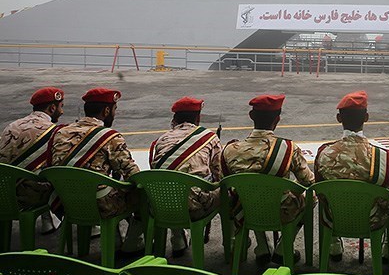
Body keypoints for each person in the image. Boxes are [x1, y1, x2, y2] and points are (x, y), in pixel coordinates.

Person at [221, 94, 314, 265]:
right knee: (311, 197)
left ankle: (262, 246)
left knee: (248, 194)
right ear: (277, 119)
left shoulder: (230, 150)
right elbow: (308, 181)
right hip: (281, 210)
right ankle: (283, 247)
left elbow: (223, 183)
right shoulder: (288, 148)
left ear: (251, 116)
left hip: (246, 210)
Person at [49, 87, 144, 254]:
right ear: (106, 110)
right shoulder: (110, 137)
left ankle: (114, 240)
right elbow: (132, 173)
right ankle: (133, 244)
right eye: (114, 110)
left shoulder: (60, 133)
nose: (114, 114)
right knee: (142, 195)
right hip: (99, 205)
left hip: (65, 202)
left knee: (107, 189)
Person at [314, 90, 389, 261]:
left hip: (334, 217)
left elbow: (320, 192)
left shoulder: (324, 154)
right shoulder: (384, 157)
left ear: (339, 118)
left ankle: (334, 245)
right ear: (366, 118)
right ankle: (387, 248)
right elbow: (385, 194)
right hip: (371, 219)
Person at [149, 96, 223, 258]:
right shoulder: (209, 137)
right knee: (227, 193)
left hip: (161, 206)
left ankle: (177, 238)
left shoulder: (161, 140)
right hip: (195, 208)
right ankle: (231, 244)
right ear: (198, 118)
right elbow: (219, 174)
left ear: (174, 119)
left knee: (170, 186)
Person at [0, 87, 65, 234]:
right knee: (60, 177)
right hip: (26, 197)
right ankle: (90, 226)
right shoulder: (54, 132)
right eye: (61, 107)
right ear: (52, 108)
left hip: (3, 192)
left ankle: (47, 221)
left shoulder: (12, 126)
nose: (62, 112)